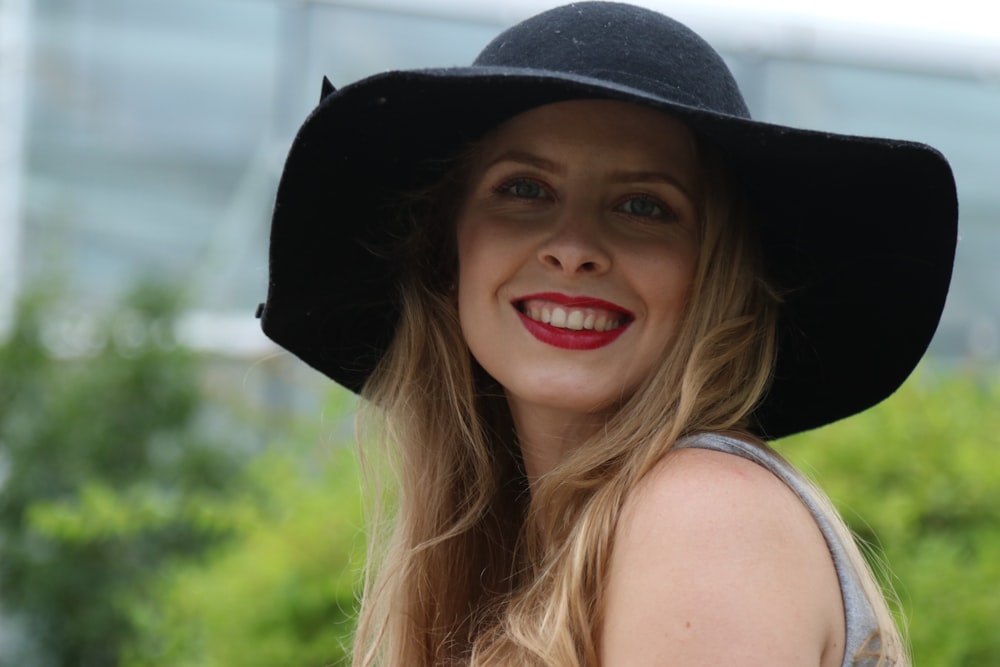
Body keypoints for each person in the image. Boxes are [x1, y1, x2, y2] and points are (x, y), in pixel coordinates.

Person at [257, 2, 957, 665]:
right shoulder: (535, 552)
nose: (573, 246)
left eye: (644, 205)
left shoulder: (704, 513)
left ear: (717, 276)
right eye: (524, 189)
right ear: (446, 254)